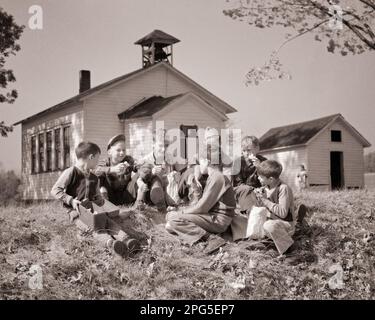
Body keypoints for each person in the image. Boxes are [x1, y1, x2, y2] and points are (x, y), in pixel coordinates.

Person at [51, 141, 139, 257]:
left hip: (94, 210)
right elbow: (55, 190)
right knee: (93, 227)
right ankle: (111, 244)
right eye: (97, 159)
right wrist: (71, 201)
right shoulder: (72, 172)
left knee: (108, 222)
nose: (98, 163)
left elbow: (97, 197)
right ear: (91, 157)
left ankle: (126, 240)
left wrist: (103, 203)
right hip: (77, 212)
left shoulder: (94, 177)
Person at [165, 150, 236, 255]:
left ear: (207, 161)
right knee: (170, 220)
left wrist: (182, 213)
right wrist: (180, 210)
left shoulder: (217, 177)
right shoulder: (213, 177)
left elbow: (202, 207)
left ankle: (211, 239)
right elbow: (201, 205)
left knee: (174, 219)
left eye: (200, 162)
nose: (199, 166)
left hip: (219, 220)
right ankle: (204, 235)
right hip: (212, 216)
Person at [254, 160, 297, 257]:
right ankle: (267, 242)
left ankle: (288, 250)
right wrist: (258, 199)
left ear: (271, 179)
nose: (258, 178)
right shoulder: (266, 188)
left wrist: (265, 201)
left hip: (285, 225)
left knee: (269, 225)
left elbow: (282, 213)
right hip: (271, 221)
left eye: (261, 177)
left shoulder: (283, 188)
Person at [95, 134, 138, 206]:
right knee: (99, 179)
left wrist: (135, 177)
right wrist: (112, 169)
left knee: (140, 176)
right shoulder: (105, 162)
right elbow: (95, 170)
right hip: (110, 197)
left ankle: (140, 203)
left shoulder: (129, 160)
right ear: (109, 152)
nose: (122, 153)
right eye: (118, 150)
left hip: (126, 196)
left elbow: (140, 166)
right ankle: (105, 206)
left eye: (124, 150)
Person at [232, 135, 267, 213]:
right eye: (244, 151)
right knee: (247, 192)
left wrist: (259, 167)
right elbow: (238, 183)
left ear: (257, 148)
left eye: (249, 150)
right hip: (244, 191)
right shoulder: (238, 162)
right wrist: (252, 190)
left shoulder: (263, 161)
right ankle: (249, 212)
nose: (246, 153)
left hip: (260, 190)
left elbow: (268, 180)